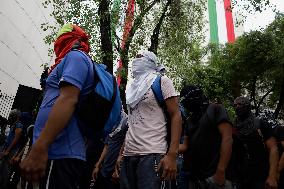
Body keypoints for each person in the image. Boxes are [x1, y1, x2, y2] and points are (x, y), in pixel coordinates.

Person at [20, 24, 95, 189]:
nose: (57, 43)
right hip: (51, 150)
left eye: (61, 38)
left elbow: (68, 99)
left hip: (60, 152)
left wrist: (40, 147)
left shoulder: (76, 57)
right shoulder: (67, 61)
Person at [120, 50, 182, 189]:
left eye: (140, 57)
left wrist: (172, 155)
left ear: (150, 62)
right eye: (134, 58)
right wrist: (121, 154)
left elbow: (176, 115)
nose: (136, 60)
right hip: (129, 155)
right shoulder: (131, 88)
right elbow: (132, 123)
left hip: (152, 153)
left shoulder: (161, 81)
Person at [179, 85, 233, 189]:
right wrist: (166, 149)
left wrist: (220, 171)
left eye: (185, 100)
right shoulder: (190, 120)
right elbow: (185, 146)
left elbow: (227, 139)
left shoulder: (216, 109)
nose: (185, 105)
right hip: (196, 177)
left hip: (215, 176)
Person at [230, 96, 278, 189]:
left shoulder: (260, 123)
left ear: (247, 106)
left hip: (259, 175)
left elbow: (273, 148)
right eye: (235, 105)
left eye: (240, 104)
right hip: (239, 176)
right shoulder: (233, 126)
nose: (237, 107)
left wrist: (272, 176)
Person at [92, 110, 128, 189]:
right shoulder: (112, 122)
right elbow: (106, 145)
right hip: (105, 167)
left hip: (114, 170)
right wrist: (98, 164)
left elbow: (126, 144)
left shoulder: (126, 123)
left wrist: (118, 170)